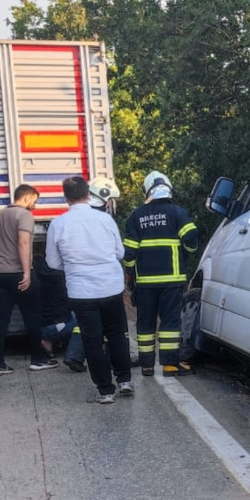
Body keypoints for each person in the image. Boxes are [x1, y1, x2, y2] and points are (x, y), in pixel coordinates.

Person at [46, 176, 134, 403]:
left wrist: (75, 265)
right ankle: (125, 380)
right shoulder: (105, 220)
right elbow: (120, 253)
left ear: (66, 198)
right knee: (117, 334)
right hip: (111, 287)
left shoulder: (58, 224)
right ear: (88, 194)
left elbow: (53, 263)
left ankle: (105, 391)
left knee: (92, 340)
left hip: (81, 291)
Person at [123, 171, 199, 377]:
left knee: (145, 322)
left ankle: (147, 366)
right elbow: (192, 238)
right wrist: (183, 257)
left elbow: (128, 253)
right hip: (172, 280)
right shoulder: (177, 212)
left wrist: (130, 275)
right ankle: (169, 365)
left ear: (147, 190)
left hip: (145, 283)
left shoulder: (136, 216)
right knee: (170, 323)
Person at [0, 184, 56, 376]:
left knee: (0, 318)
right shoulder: (24, 215)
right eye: (34, 200)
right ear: (26, 198)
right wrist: (26, 272)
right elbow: (23, 243)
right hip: (18, 274)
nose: (35, 204)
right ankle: (38, 359)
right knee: (32, 316)